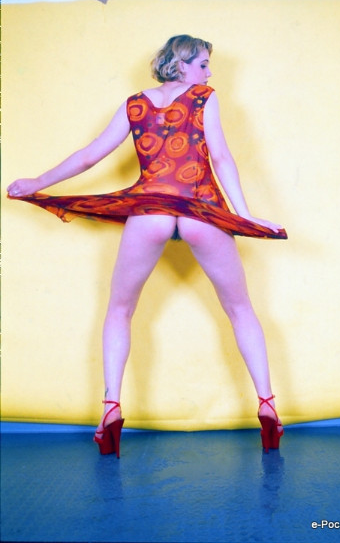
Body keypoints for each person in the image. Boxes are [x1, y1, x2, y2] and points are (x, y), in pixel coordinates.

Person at [8, 34, 287, 457]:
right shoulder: (204, 97)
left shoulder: (134, 104)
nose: (209, 73)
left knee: (120, 310)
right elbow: (220, 158)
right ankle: (266, 403)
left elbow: (89, 155)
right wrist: (243, 215)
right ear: (182, 63)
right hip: (200, 210)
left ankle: (110, 408)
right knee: (240, 310)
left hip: (149, 210)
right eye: (204, 64)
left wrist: (36, 182)